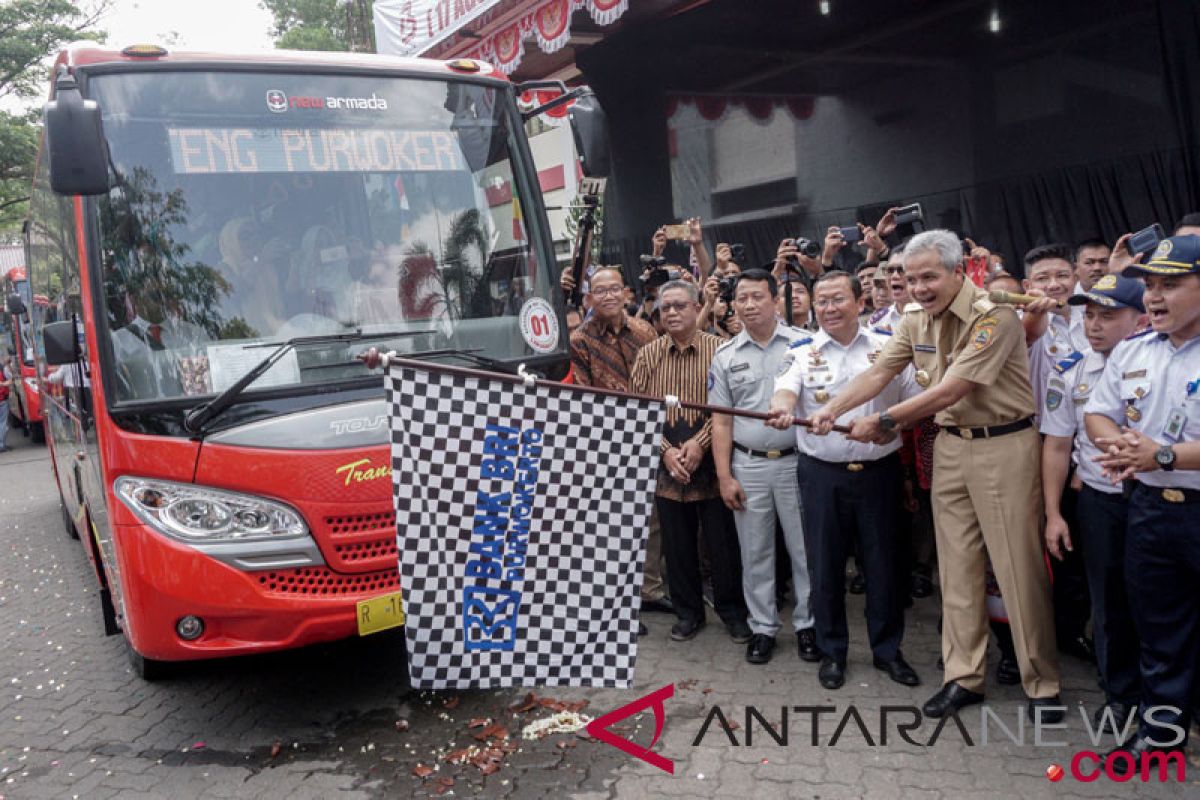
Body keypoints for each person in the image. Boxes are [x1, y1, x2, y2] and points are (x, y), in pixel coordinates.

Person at [802, 229, 1062, 722]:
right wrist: (831, 407)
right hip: (950, 449)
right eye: (910, 278)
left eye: (929, 277)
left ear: (957, 272)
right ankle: (964, 677)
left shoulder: (995, 316)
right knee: (956, 569)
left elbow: (953, 388)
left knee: (1016, 570)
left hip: (1003, 446)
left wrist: (884, 422)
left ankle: (1041, 682)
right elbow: (881, 372)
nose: (919, 287)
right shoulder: (914, 319)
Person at [767, 271, 921, 690]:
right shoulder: (801, 350)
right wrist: (781, 408)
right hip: (821, 476)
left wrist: (891, 428)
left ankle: (888, 651)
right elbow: (784, 391)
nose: (829, 308)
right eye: (822, 301)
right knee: (825, 565)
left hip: (879, 475)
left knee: (884, 566)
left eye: (838, 299)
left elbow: (912, 403)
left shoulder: (888, 347)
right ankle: (832, 652)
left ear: (859, 301)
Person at [1085, 234, 1200, 767]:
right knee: (1158, 627)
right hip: (1150, 509)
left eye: (1171, 285)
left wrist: (1165, 455)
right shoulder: (1133, 349)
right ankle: (1163, 732)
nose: (1154, 298)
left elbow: (1164, 452)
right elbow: (1098, 413)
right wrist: (1126, 449)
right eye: (1150, 285)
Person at [1041, 274, 1146, 734]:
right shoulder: (1072, 370)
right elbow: (1058, 446)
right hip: (1101, 503)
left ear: (1139, 318)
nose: (1095, 325)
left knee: (1163, 600)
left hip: (1157, 497)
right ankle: (1119, 696)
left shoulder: (1160, 361)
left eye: (1109, 315)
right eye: (1090, 315)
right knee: (1108, 602)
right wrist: (1053, 513)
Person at [629, 280, 750, 644]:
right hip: (665, 463)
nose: (672, 313)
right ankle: (687, 614)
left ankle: (732, 613)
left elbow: (732, 409)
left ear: (698, 307)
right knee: (677, 547)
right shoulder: (648, 355)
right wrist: (666, 450)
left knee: (722, 546)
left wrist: (698, 444)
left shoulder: (722, 350)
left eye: (681, 305)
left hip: (713, 462)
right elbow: (638, 411)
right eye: (666, 308)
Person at [709, 269, 817, 666]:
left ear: (775, 299)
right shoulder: (725, 356)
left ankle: (809, 625)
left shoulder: (803, 345)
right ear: (733, 305)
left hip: (797, 464)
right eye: (742, 298)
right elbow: (721, 421)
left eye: (757, 296)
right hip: (748, 465)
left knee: (804, 549)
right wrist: (725, 476)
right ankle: (763, 628)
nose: (749, 305)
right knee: (754, 552)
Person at [568, 268, 664, 635]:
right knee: (613, 529)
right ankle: (618, 609)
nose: (607, 296)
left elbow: (658, 379)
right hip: (605, 442)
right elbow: (582, 394)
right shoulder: (580, 340)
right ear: (589, 298)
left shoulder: (645, 331)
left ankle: (650, 592)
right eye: (599, 291)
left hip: (650, 433)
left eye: (613, 289)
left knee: (651, 520)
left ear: (626, 293)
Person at [1018, 243, 1094, 663]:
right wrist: (1037, 310)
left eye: (1061, 275)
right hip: (1031, 444)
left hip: (1080, 450)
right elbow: (1030, 329)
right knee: (1031, 543)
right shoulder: (1023, 322)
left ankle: (1070, 629)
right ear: (1028, 284)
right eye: (1043, 278)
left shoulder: (1093, 318)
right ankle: (1027, 638)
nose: (1054, 284)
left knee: (1072, 544)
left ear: (1075, 277)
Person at [0, 355, 12, 453]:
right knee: (3, 422)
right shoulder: (2, 368)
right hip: (2, 399)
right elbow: (10, 379)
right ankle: (1, 445)